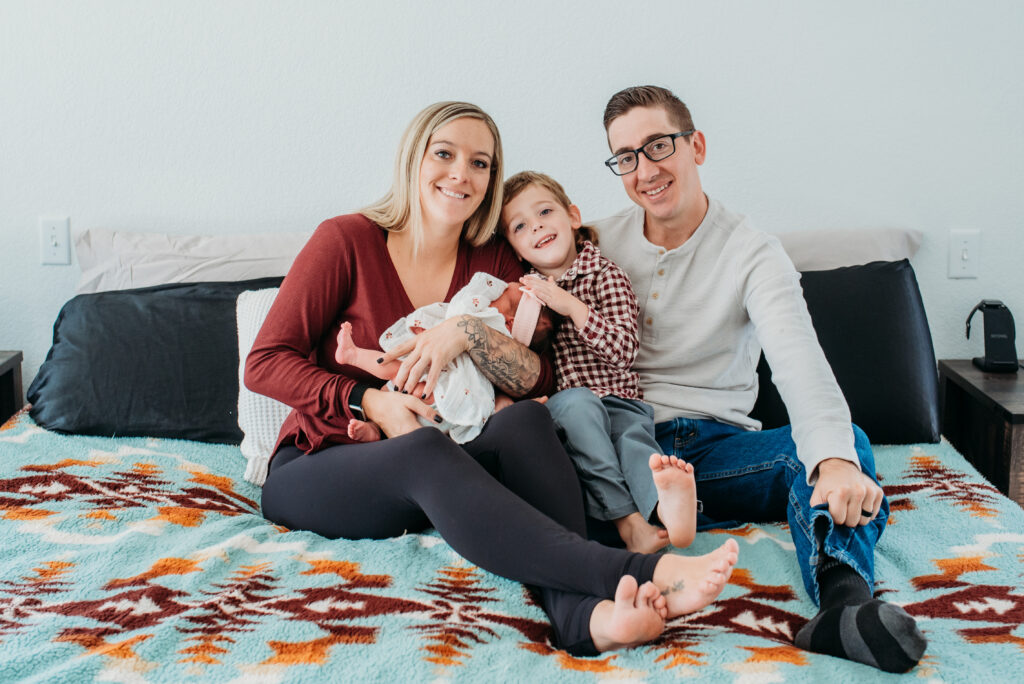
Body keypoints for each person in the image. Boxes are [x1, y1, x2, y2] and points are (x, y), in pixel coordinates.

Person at [245, 100, 739, 657]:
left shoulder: (496, 260)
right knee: (423, 451)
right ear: (414, 158)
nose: (461, 173)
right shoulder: (346, 241)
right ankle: (639, 569)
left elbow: (536, 379)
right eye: (445, 154)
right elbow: (264, 361)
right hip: (321, 464)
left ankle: (582, 619)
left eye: (480, 163)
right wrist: (367, 401)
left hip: (446, 459)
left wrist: (468, 334)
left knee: (529, 420)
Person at [593, 85, 926, 672]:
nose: (644, 170)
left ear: (696, 146)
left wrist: (834, 459)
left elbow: (799, 360)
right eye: (626, 157)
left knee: (841, 448)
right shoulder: (595, 242)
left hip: (710, 459)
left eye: (658, 146)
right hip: (618, 446)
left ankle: (844, 606)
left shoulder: (752, 251)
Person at [500, 170, 699, 555]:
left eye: (544, 212)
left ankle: (667, 511)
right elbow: (515, 359)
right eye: (520, 226)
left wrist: (572, 307)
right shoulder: (524, 295)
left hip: (621, 400)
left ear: (573, 217)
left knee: (636, 445)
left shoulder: (605, 276)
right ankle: (629, 522)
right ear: (516, 249)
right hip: (567, 407)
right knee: (579, 407)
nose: (536, 226)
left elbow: (624, 351)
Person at [335, 271, 553, 443]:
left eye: (506, 295)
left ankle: (354, 357)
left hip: (452, 387)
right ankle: (374, 427)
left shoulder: (493, 322)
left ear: (510, 322)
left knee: (397, 373)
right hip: (435, 383)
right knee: (395, 378)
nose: (501, 288)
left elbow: (468, 301)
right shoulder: (494, 319)